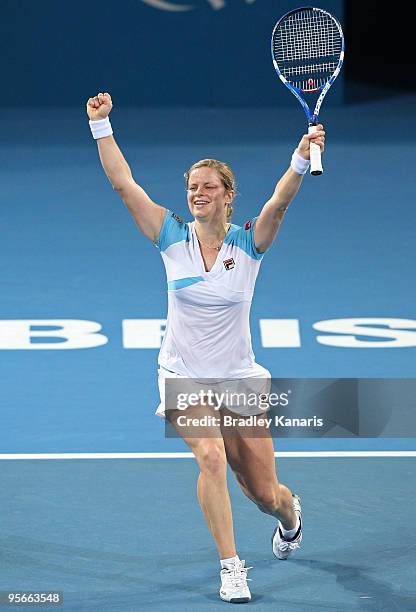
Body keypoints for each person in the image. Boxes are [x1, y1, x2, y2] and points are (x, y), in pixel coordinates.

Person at [86, 92, 325, 604]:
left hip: (238, 380)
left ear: (228, 196)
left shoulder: (249, 243)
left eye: (208, 187)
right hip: (183, 375)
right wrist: (101, 126)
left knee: (264, 494)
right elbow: (123, 185)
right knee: (211, 458)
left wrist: (301, 157)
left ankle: (290, 513)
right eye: (192, 186)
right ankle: (231, 566)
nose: (198, 193)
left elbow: (279, 202)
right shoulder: (170, 236)